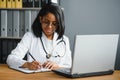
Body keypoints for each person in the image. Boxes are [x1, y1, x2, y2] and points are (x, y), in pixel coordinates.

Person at [7, 3, 72, 70]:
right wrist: (27, 64)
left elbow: (69, 65)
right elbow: (11, 59)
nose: (49, 26)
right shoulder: (29, 37)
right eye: (46, 22)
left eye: (54, 23)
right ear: (40, 19)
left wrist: (57, 66)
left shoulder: (64, 40)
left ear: (59, 24)